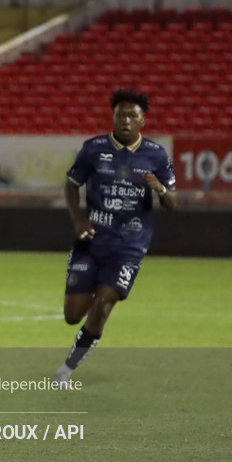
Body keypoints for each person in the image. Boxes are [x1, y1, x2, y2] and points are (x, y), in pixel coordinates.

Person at [53, 90, 176, 387]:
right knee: (72, 315)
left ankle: (66, 370)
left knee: (104, 305)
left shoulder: (156, 155)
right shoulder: (93, 149)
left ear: (142, 120)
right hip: (91, 242)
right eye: (120, 114)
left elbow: (172, 202)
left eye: (132, 115)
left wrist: (159, 188)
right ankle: (94, 290)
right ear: (113, 117)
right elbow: (71, 185)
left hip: (128, 248)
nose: (125, 120)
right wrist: (78, 219)